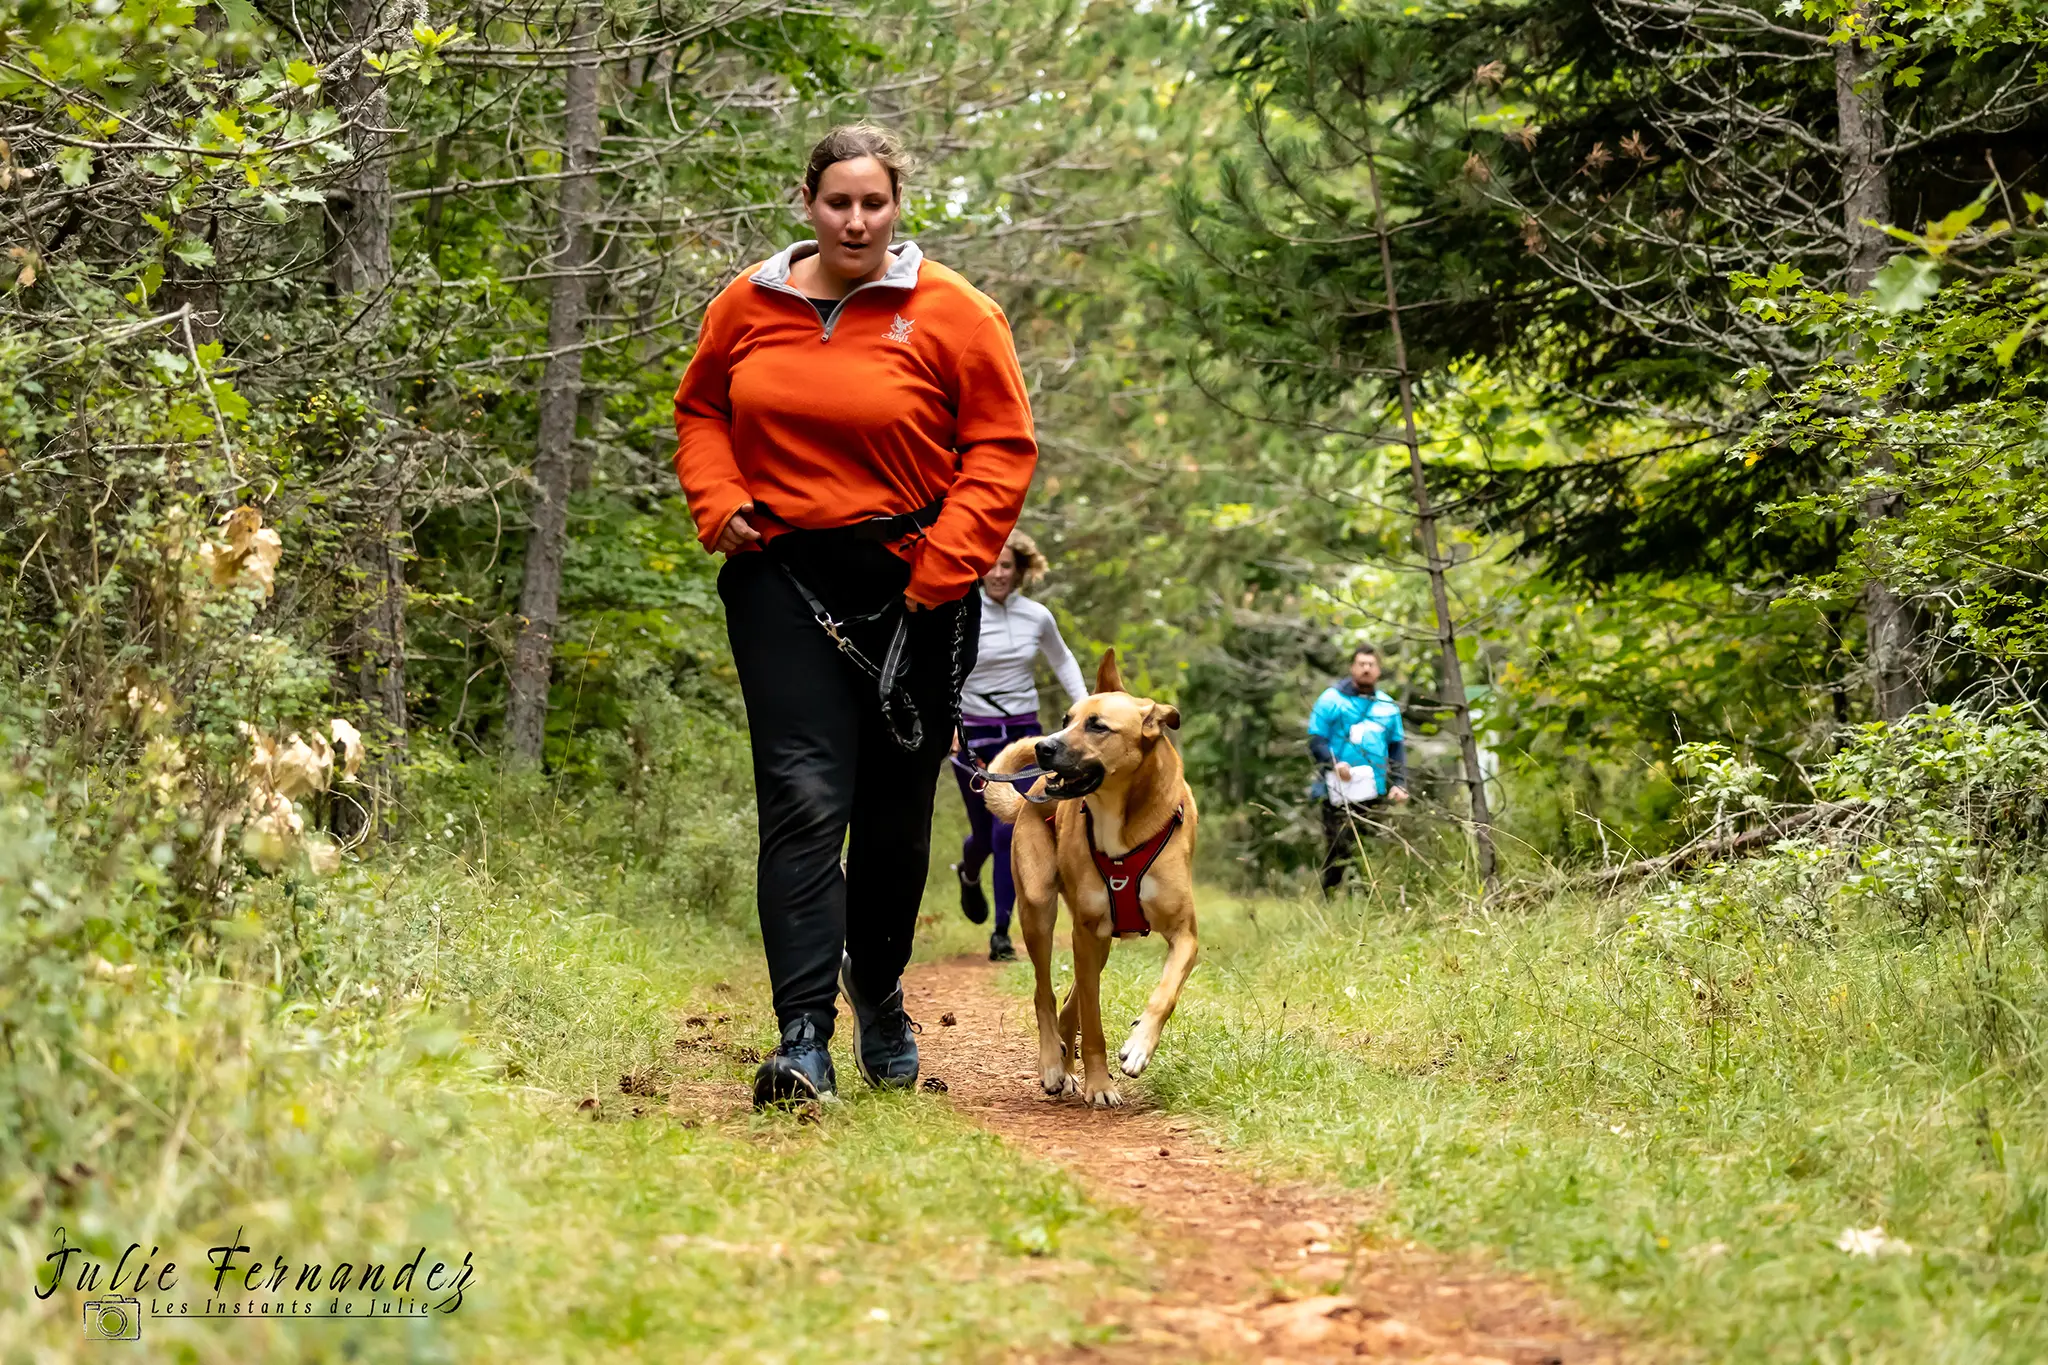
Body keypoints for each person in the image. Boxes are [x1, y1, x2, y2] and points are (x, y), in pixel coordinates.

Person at [673, 123, 1036, 1107]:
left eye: (873, 202)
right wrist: (718, 498)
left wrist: (943, 570)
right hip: (781, 578)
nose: (855, 219)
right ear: (807, 204)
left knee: (890, 815)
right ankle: (801, 1039)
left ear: (896, 205)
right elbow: (698, 410)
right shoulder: (746, 305)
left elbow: (1001, 448)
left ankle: (875, 987)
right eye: (838, 201)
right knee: (800, 795)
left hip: (917, 582)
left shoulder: (954, 311)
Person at [949, 529, 1088, 962]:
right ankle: (969, 874)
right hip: (973, 732)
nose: (997, 573)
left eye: (1006, 565)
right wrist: (947, 723)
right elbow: (942, 670)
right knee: (985, 837)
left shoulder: (1037, 616)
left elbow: (1062, 659)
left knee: (1009, 826)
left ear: (1020, 569)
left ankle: (1001, 932)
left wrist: (1085, 709)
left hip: (1024, 733)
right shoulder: (960, 611)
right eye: (990, 564)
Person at [1308, 645, 1409, 895]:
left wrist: (1400, 782)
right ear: (1352, 667)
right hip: (1337, 787)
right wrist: (1334, 763)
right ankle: (1330, 899)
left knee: (1369, 845)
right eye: (1361, 664)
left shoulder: (1387, 706)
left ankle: (1369, 901)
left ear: (1378, 670)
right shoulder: (1331, 700)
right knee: (1338, 846)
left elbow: (1396, 747)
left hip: (1374, 788)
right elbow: (1316, 740)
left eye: (1371, 664)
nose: (1366, 668)